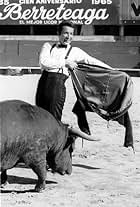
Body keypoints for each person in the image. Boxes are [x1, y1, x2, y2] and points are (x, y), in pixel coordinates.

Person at [35, 20, 112, 132]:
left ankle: (55, 146)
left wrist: (112, 70)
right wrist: (66, 62)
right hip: (42, 84)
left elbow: (92, 61)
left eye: (71, 34)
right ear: (59, 33)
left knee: (53, 119)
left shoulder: (75, 51)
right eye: (66, 33)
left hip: (57, 87)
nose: (69, 36)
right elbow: (44, 62)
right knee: (40, 117)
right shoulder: (47, 46)